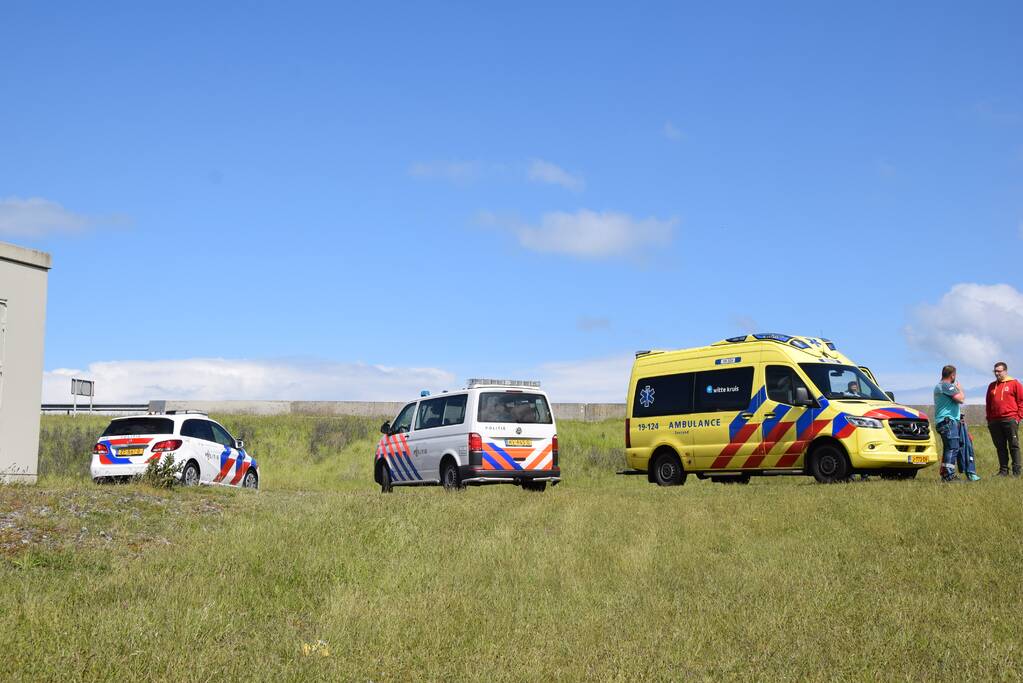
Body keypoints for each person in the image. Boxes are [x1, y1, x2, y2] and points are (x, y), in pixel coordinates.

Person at [985, 361, 1023, 477]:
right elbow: (988, 403)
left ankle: (1016, 471)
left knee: (1013, 445)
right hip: (994, 422)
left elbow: (1021, 401)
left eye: (999, 371)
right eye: (995, 371)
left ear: (1005, 371)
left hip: (1010, 419)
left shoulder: (1015, 383)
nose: (997, 373)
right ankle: (1003, 471)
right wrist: (989, 419)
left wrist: (1018, 417)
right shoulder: (992, 386)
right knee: (1000, 447)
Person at [934, 365, 967, 482]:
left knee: (949, 448)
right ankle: (949, 475)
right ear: (952, 375)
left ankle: (945, 474)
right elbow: (961, 399)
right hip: (948, 422)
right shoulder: (946, 386)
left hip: (944, 421)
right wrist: (960, 389)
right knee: (953, 448)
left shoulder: (940, 386)